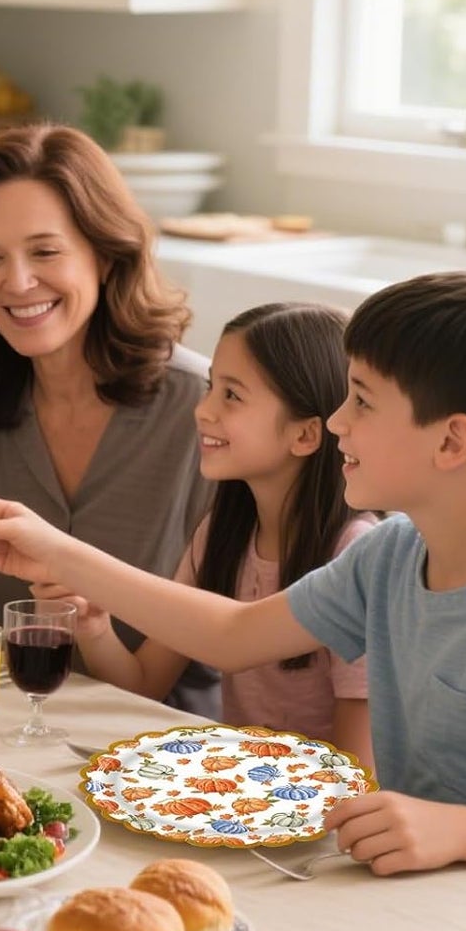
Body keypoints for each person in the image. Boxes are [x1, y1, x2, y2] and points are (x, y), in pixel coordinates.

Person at [0, 271, 466, 902]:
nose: (335, 422)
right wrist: (53, 550)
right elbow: (231, 635)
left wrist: (458, 830)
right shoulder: (389, 555)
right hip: (415, 900)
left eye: (360, 401)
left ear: (450, 442)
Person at [0, 123, 218, 712]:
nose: (18, 282)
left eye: (46, 251)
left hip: (173, 750)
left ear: (105, 256)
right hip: (25, 718)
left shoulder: (201, 408)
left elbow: (179, 663)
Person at [46, 302, 377, 762]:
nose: (203, 410)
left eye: (232, 396)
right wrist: (95, 627)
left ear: (304, 435)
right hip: (236, 791)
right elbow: (144, 684)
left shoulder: (356, 555)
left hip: (311, 813)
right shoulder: (222, 534)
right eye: (210, 388)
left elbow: (357, 771)